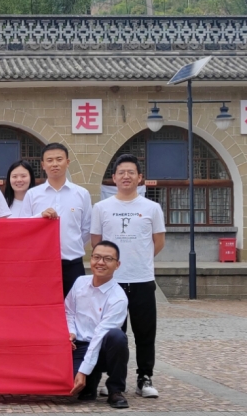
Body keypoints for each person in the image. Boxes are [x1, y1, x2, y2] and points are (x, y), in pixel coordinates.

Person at [91, 153, 165, 399]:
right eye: (121, 172)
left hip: (142, 279)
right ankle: (112, 378)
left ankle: (145, 377)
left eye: (131, 172)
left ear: (139, 177)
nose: (126, 176)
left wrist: (138, 259)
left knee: (145, 332)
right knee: (113, 333)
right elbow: (96, 243)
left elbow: (158, 241)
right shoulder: (102, 208)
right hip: (112, 282)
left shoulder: (151, 208)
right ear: (113, 177)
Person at [20, 143, 92, 297]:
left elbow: (86, 228)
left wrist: (72, 245)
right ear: (43, 165)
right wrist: (40, 216)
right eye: (50, 160)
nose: (54, 164)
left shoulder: (82, 194)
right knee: (43, 305)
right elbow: (24, 227)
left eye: (59, 159)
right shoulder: (32, 194)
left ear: (67, 162)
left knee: (75, 306)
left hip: (73, 263)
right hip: (41, 264)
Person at [67, 240, 129, 409]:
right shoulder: (80, 282)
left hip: (102, 348)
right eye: (96, 257)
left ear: (117, 264)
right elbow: (68, 311)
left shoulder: (118, 298)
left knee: (117, 337)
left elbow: (100, 335)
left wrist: (83, 371)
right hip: (78, 346)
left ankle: (115, 390)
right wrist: (71, 332)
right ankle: (91, 382)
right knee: (67, 385)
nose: (100, 262)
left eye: (108, 259)